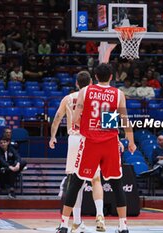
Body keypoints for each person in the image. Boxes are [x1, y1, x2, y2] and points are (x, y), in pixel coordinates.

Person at [56, 62, 136, 233]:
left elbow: (77, 118)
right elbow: (124, 120)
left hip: (90, 142)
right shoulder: (118, 94)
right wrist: (131, 141)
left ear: (96, 77)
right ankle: (123, 227)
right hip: (110, 142)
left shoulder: (86, 91)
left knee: (76, 183)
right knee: (116, 184)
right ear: (112, 77)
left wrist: (85, 121)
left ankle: (64, 225)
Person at [49, 71, 106, 232]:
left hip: (74, 138)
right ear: (90, 82)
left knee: (75, 182)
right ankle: (99, 215)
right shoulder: (95, 97)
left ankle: (77, 221)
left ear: (76, 83)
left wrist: (53, 137)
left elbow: (57, 118)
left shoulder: (68, 98)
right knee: (95, 179)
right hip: (91, 138)